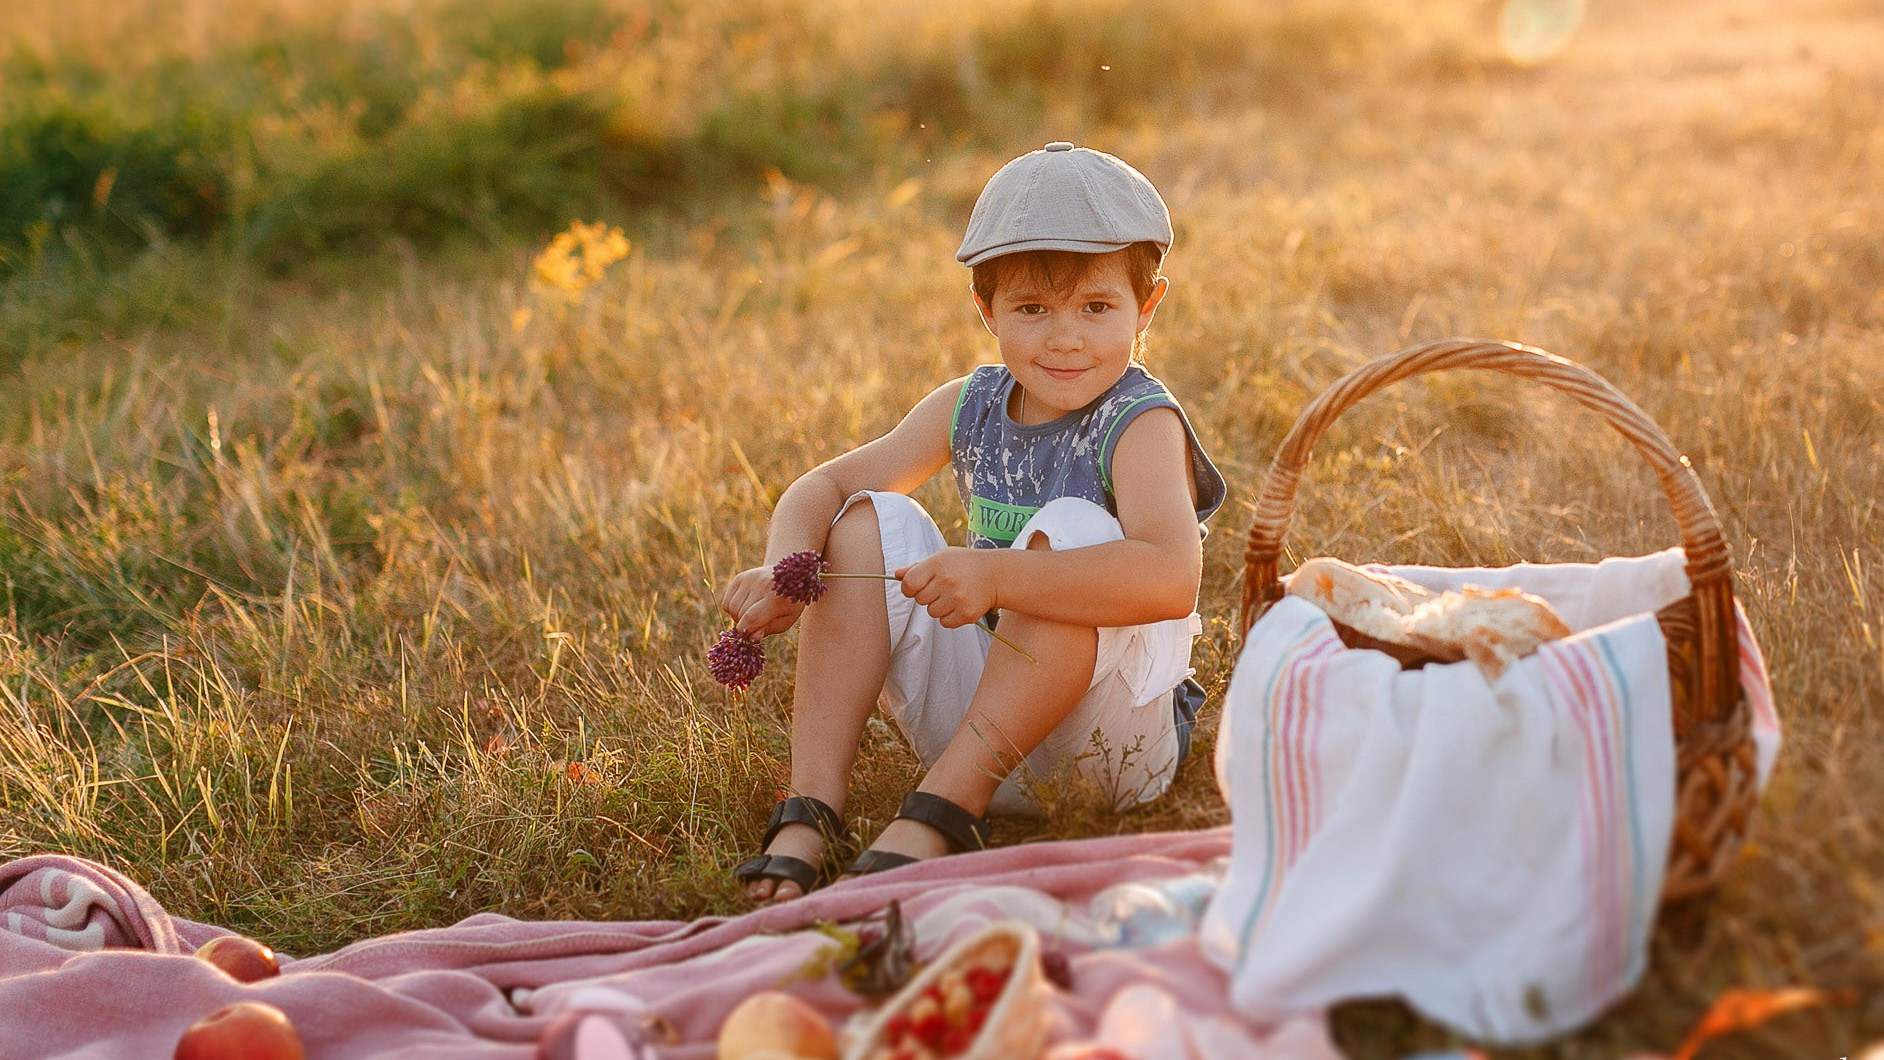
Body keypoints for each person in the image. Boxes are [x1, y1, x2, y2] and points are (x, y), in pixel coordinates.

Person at [718, 141, 1227, 902]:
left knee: (1071, 529)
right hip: (987, 720)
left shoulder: (1140, 421)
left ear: (1146, 306)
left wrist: (995, 574)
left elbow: (1170, 579)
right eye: (1031, 309)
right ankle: (812, 806)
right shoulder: (973, 404)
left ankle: (942, 813)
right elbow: (823, 485)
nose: (1065, 337)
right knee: (864, 519)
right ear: (985, 310)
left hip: (1108, 746)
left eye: (1097, 307)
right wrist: (786, 564)